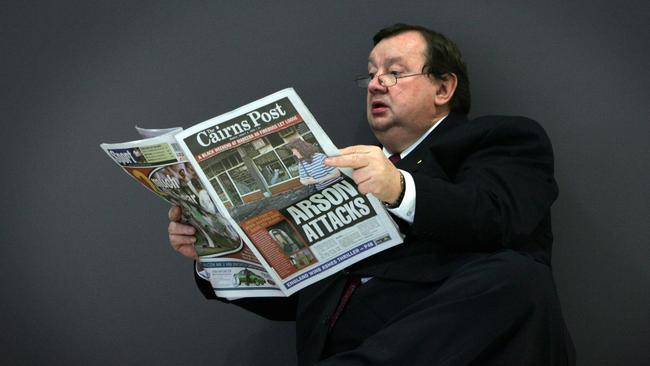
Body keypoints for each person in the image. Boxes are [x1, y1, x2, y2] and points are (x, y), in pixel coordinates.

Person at [167, 23, 575, 365]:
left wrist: (399, 188)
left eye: (395, 72)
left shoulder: (502, 138)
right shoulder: (343, 171)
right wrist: (216, 252)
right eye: (371, 73)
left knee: (520, 275)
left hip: (447, 341)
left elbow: (496, 217)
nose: (376, 83)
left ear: (444, 87)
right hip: (338, 347)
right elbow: (303, 296)